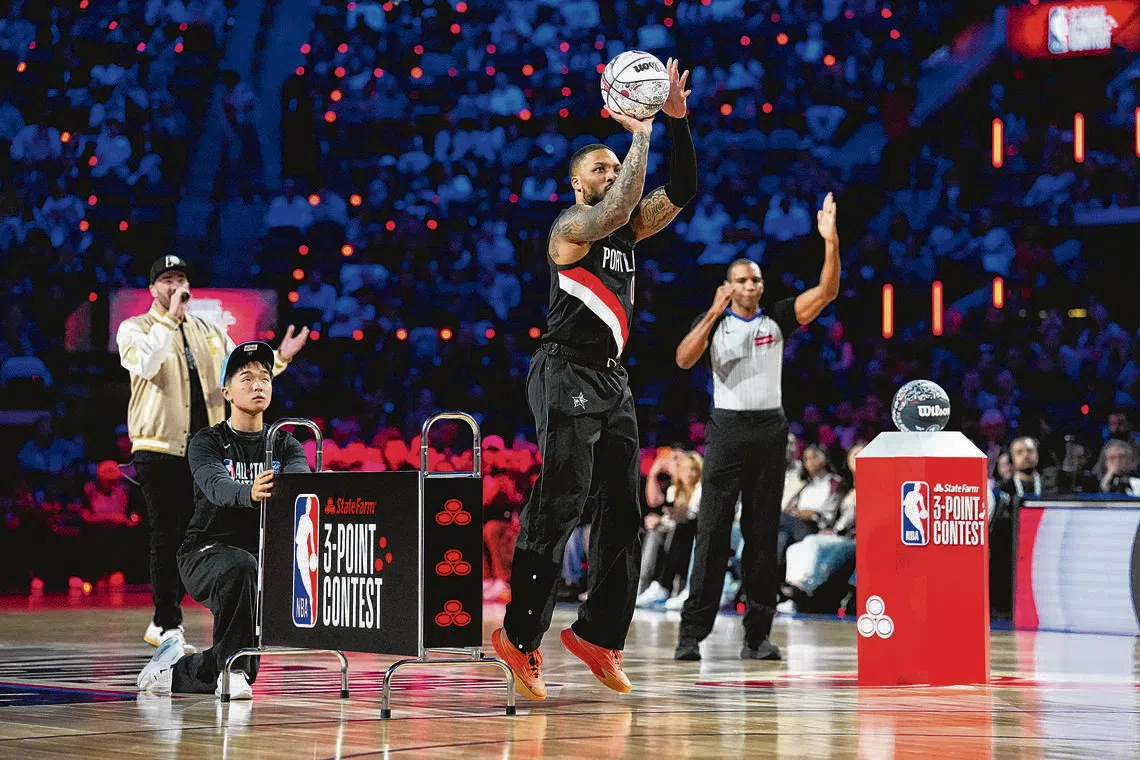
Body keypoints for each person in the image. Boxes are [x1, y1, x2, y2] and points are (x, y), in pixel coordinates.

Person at [491, 58, 697, 700]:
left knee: (623, 513)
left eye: (615, 166)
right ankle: (519, 640)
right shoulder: (571, 229)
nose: (610, 174)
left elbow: (682, 191)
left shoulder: (630, 229)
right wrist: (638, 135)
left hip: (611, 379)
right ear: (575, 180)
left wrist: (677, 124)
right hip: (562, 370)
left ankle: (598, 635)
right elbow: (621, 206)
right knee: (563, 499)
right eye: (598, 168)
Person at [672, 192, 840, 662]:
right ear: (728, 286)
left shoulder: (777, 318)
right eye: (743, 280)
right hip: (726, 430)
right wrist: (711, 311)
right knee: (712, 531)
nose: (751, 286)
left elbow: (825, 293)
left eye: (756, 280)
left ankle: (757, 635)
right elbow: (683, 359)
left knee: (763, 535)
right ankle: (692, 634)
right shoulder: (714, 325)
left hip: (769, 430)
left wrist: (830, 242)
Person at [116, 256, 308, 651]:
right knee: (166, 534)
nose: (176, 286)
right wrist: (169, 319)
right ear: (154, 290)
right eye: (167, 280)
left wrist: (281, 357)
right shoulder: (135, 329)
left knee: (209, 529)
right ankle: (166, 622)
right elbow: (148, 366)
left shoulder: (208, 330)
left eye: (181, 279)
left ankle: (225, 611)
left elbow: (242, 372)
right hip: (160, 445)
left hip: (208, 447)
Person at [136, 342, 311, 698]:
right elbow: (216, 487)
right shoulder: (207, 441)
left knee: (246, 660)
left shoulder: (286, 444)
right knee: (241, 567)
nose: (258, 384)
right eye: (246, 378)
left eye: (265, 378)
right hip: (204, 550)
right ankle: (231, 672)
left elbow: (299, 487)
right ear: (226, 391)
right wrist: (250, 491)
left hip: (257, 558)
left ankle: (170, 672)